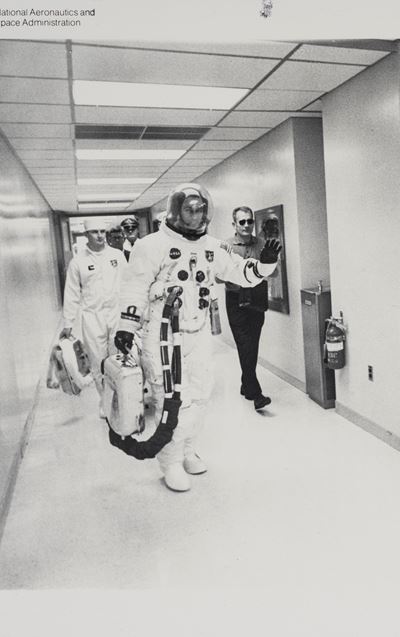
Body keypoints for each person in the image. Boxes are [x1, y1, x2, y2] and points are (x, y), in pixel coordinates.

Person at [113, 183, 281, 492]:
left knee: (201, 396)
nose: (196, 215)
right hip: (162, 336)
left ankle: (188, 450)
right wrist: (126, 327)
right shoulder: (151, 245)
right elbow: (134, 288)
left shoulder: (211, 247)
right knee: (173, 401)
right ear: (176, 212)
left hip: (198, 332)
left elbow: (239, 272)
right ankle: (171, 462)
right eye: (189, 209)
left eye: (200, 209)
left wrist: (265, 264)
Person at [59, 218, 125, 416]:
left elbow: (130, 283)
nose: (99, 236)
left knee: (119, 359)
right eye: (94, 232)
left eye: (102, 232)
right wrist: (68, 322)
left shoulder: (118, 256)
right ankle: (105, 401)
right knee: (98, 362)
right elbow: (71, 294)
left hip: (117, 314)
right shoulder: (78, 262)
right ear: (86, 235)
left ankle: (121, 399)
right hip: (92, 317)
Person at [225, 206, 278, 411]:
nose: (247, 225)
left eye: (249, 221)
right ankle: (256, 393)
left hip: (257, 298)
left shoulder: (262, 244)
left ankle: (246, 385)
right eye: (242, 222)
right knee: (244, 345)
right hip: (235, 299)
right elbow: (219, 277)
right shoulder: (226, 246)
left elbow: (274, 274)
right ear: (234, 225)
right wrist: (242, 271)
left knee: (252, 345)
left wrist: (266, 264)